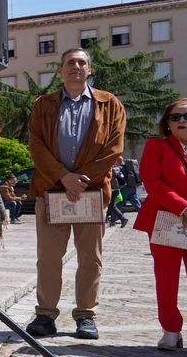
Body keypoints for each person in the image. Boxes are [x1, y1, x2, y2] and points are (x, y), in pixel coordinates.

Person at [25, 47, 125, 341]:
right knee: (48, 257)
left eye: (82, 63)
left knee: (90, 258)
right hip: (51, 192)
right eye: (70, 62)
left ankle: (86, 315)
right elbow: (36, 145)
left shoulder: (109, 104)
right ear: (61, 70)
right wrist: (62, 177)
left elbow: (114, 148)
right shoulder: (43, 104)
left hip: (91, 193)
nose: (76, 67)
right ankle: (45, 314)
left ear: (89, 70)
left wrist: (79, 181)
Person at [132, 98, 187, 351]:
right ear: (166, 123)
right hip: (166, 218)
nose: (182, 121)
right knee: (166, 277)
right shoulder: (157, 146)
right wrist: (185, 207)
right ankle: (171, 329)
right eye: (175, 117)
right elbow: (153, 182)